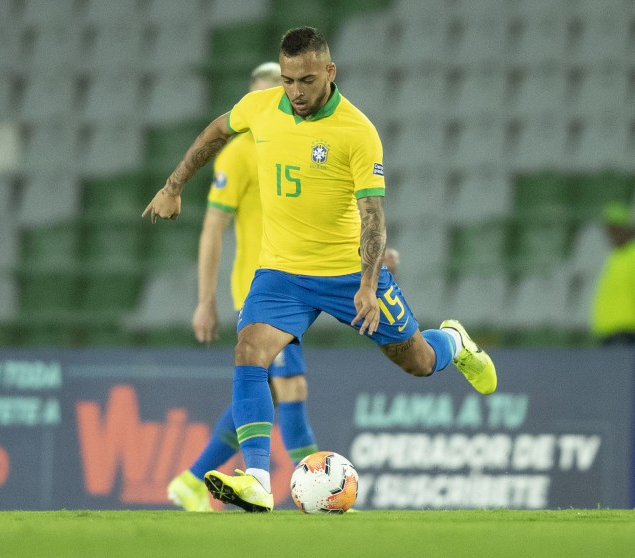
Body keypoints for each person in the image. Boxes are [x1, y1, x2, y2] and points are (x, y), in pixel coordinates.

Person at [143, 26, 496, 512]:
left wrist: (369, 284)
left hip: (346, 273)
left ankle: (454, 342)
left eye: (306, 80)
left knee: (416, 361)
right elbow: (217, 131)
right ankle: (258, 481)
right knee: (248, 353)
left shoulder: (356, 131)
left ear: (330, 72)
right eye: (288, 80)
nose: (296, 92)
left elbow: (372, 215)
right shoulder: (264, 108)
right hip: (281, 274)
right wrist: (174, 184)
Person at [167, 62, 319, 512]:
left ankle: (192, 481)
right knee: (290, 388)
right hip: (264, 289)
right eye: (269, 90)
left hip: (294, 282)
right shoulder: (240, 153)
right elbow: (212, 228)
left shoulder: (300, 145)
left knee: (266, 394)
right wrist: (204, 300)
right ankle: (317, 487)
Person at [590, 202, 635, 345]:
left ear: (627, 228)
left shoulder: (631, 255)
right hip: (609, 332)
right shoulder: (614, 257)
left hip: (626, 331)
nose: (610, 234)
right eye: (609, 229)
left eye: (615, 228)